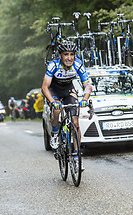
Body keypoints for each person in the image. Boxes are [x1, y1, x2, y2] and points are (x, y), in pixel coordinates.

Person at [41, 40, 92, 169]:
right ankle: (54, 132)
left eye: (71, 54)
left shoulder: (78, 65)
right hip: (53, 90)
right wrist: (52, 102)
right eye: (66, 54)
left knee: (75, 123)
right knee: (57, 110)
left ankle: (76, 156)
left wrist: (85, 99)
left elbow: (87, 86)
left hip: (68, 90)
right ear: (60, 56)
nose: (69, 58)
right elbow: (44, 88)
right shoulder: (53, 65)